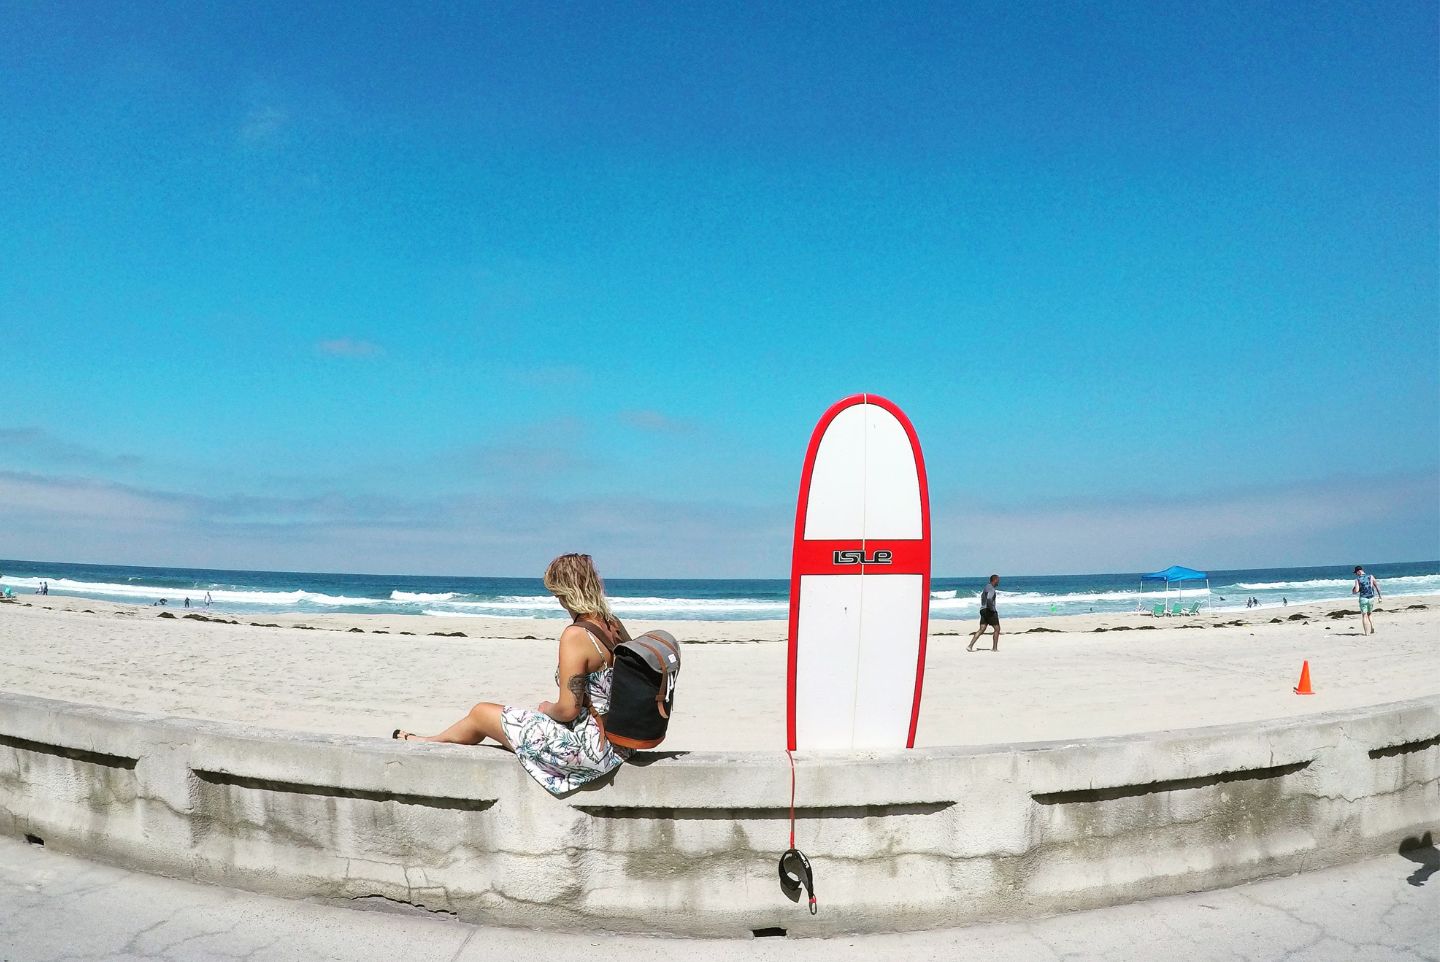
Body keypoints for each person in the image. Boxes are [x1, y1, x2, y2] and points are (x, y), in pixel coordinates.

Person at [392, 553, 632, 795]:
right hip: (618, 742)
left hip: (587, 750)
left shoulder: (576, 635)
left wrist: (547, 707)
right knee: (500, 716)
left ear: (566, 593)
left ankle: (430, 742)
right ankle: (433, 740)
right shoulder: (614, 625)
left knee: (481, 712)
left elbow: (568, 709)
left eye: (557, 593)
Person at [966, 574, 1002, 652]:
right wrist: (992, 608)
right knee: (997, 629)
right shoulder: (991, 588)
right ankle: (994, 648)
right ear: (995, 580)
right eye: (998, 580)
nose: (999, 582)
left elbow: (984, 598)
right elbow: (989, 598)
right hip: (989, 610)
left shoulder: (986, 587)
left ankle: (970, 646)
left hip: (983, 610)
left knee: (982, 629)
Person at [1352, 566, 1382, 635]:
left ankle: (1366, 633)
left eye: (1356, 573)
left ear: (1358, 571)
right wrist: (1380, 597)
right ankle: (1372, 626)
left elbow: (1356, 591)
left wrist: (1354, 590)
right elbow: (1377, 586)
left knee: (1364, 615)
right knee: (1370, 614)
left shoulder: (1357, 579)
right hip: (1371, 598)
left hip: (1363, 598)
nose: (1356, 574)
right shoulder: (1371, 576)